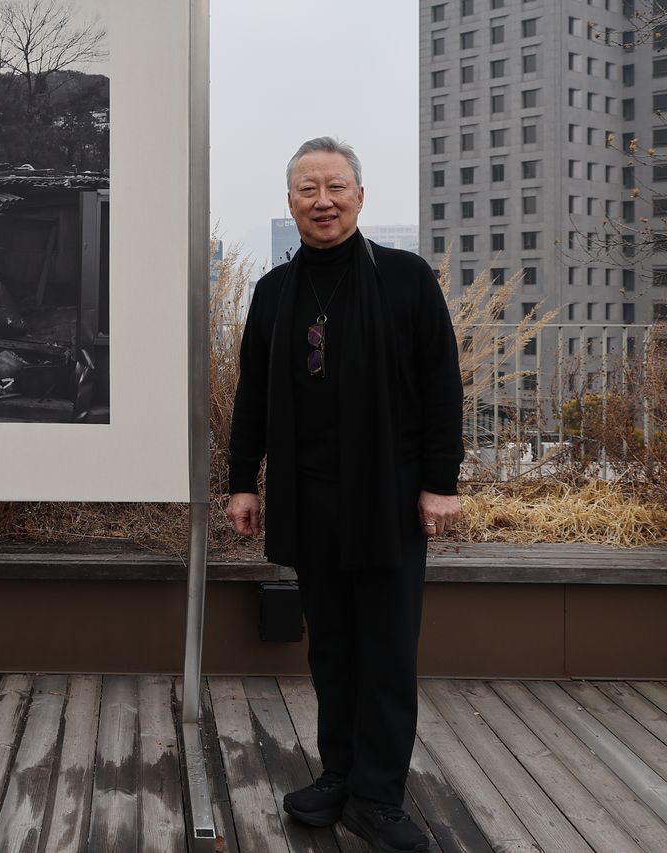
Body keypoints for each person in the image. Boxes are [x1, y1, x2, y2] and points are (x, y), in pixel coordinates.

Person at [225, 137, 463, 853]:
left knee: (386, 649)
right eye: (307, 189)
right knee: (330, 645)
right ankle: (339, 772)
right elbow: (253, 397)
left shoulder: (405, 279)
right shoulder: (275, 292)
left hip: (388, 498)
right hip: (310, 497)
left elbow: (442, 385)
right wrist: (242, 479)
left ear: (360, 195)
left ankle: (378, 797)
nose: (321, 200)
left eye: (334, 186)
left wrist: (440, 482)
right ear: (291, 202)